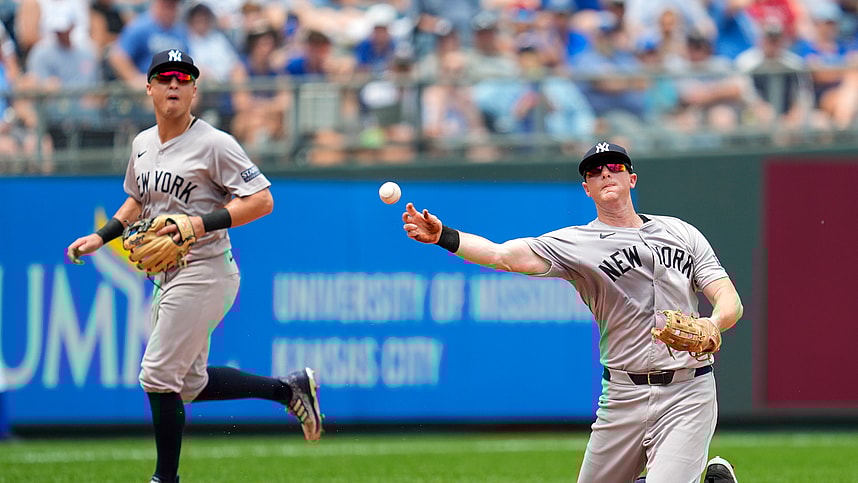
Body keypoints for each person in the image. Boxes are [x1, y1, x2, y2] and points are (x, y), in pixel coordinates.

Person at [401, 141, 743, 483]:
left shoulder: (681, 232)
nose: (605, 173)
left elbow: (729, 299)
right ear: (587, 189)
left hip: (687, 390)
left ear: (632, 179)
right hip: (623, 395)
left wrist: (713, 324)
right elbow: (501, 255)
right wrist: (444, 236)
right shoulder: (575, 243)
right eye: (595, 171)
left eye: (615, 167)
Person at [65, 49, 322, 483]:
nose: (174, 84)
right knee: (186, 384)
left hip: (206, 269)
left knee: (157, 375)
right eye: (165, 77)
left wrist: (198, 223)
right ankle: (287, 388)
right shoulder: (142, 144)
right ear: (149, 88)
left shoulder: (215, 143)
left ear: (194, 90)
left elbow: (262, 200)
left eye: (183, 79)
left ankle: (165, 478)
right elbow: (137, 199)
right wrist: (102, 236)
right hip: (167, 277)